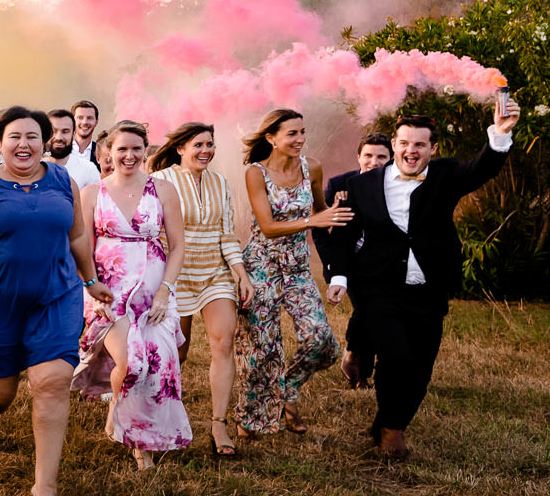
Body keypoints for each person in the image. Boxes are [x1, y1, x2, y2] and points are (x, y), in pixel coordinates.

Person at [0, 107, 110, 496]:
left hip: (55, 295)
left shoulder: (61, 180)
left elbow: (76, 235)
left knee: (51, 382)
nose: (24, 144)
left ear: (45, 141)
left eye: (33, 136)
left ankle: (45, 486)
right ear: (0, 142)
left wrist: (89, 280)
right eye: (15, 136)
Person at [325, 102, 519, 460]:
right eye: (404, 143)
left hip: (429, 288)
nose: (410, 151)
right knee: (397, 354)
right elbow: (344, 234)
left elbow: (482, 169)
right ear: (394, 145)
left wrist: (501, 132)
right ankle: (392, 430)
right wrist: (339, 276)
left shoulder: (446, 175)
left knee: (420, 367)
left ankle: (387, 419)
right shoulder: (361, 184)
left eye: (419, 145)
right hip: (378, 286)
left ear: (433, 148)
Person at [70, 121, 190, 468]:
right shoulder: (93, 193)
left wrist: (165, 292)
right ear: (108, 152)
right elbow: (84, 250)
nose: (129, 155)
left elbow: (178, 245)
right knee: (134, 362)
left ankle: (142, 441)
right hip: (110, 293)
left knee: (160, 359)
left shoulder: (163, 190)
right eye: (122, 149)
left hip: (154, 291)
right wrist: (93, 292)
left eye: (136, 148)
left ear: (145, 150)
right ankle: (123, 412)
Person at [237, 109, 351, 437]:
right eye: (292, 134)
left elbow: (319, 211)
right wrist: (311, 222)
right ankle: (250, 420)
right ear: (271, 138)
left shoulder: (311, 167)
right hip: (262, 268)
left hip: (298, 269)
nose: (300, 139)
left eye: (302, 132)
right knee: (261, 349)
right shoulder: (255, 174)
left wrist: (333, 211)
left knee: (322, 341)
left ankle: (286, 390)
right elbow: (268, 226)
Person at [149, 124, 254, 458]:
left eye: (211, 144)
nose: (206, 150)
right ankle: (165, 420)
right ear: (181, 148)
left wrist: (240, 273)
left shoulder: (220, 182)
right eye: (199, 144)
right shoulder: (160, 181)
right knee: (176, 352)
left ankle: (218, 423)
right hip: (174, 275)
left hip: (214, 273)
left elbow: (227, 233)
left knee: (224, 342)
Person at [317, 132, 391, 280]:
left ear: (391, 159)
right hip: (352, 262)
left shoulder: (399, 185)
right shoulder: (338, 184)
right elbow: (318, 224)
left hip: (390, 263)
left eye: (381, 157)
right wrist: (330, 262)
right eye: (368, 155)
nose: (374, 162)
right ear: (359, 157)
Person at [47, 107, 100, 191]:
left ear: (73, 133)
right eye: (54, 131)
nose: (59, 137)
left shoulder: (89, 170)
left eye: (65, 131)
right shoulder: (32, 168)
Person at [69, 100, 101, 168]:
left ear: (96, 122)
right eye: (80, 118)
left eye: (89, 118)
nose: (84, 122)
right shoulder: (60, 150)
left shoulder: (101, 152)